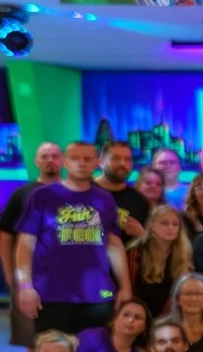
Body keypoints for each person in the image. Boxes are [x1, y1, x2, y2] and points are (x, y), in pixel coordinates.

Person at [12, 141, 129, 336]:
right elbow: (25, 245)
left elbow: (114, 245)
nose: (81, 163)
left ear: (97, 163)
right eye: (75, 158)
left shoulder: (105, 199)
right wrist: (25, 286)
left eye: (87, 159)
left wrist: (125, 287)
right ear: (65, 162)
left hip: (98, 296)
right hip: (50, 295)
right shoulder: (42, 196)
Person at [0, 140, 63, 345]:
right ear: (36, 162)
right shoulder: (22, 195)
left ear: (63, 161)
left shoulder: (77, 193)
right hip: (30, 279)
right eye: (44, 156)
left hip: (66, 279)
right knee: (31, 338)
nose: (50, 160)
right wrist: (11, 276)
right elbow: (6, 238)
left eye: (55, 156)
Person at [130, 204, 194, 316]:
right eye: (164, 223)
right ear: (151, 225)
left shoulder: (184, 255)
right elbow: (129, 290)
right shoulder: (135, 253)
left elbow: (178, 295)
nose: (171, 228)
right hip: (136, 312)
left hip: (169, 316)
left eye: (175, 224)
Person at [93, 141, 150, 241]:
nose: (122, 163)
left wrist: (141, 234)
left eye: (127, 159)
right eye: (116, 158)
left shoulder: (139, 201)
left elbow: (147, 242)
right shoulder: (83, 192)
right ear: (101, 162)